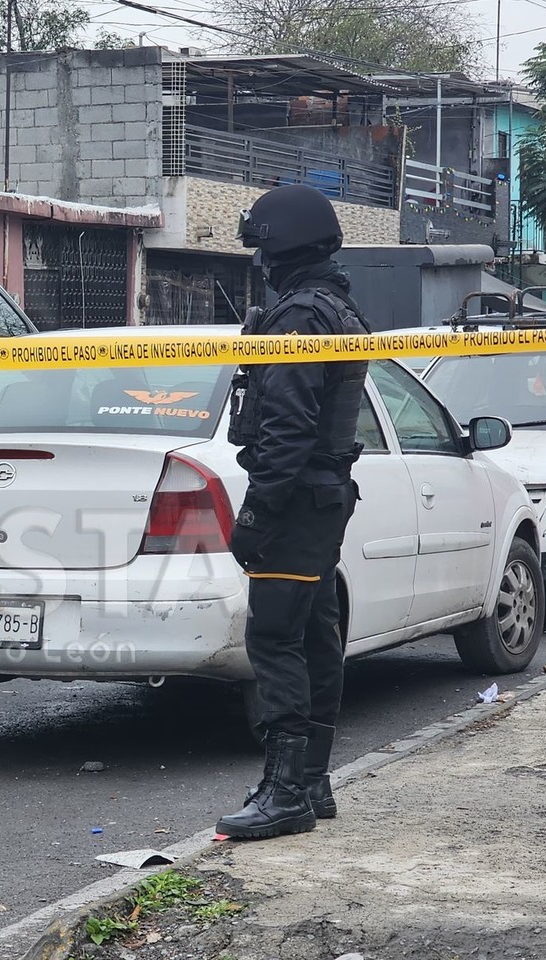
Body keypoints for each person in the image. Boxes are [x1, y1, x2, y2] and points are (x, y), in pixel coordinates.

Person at [215, 183, 370, 841]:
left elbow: (286, 429)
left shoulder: (300, 319)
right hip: (325, 498)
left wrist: (257, 515)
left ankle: (285, 793)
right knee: (314, 637)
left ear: (281, 247)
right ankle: (311, 779)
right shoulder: (339, 310)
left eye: (260, 249)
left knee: (275, 639)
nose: (258, 263)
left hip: (297, 501)